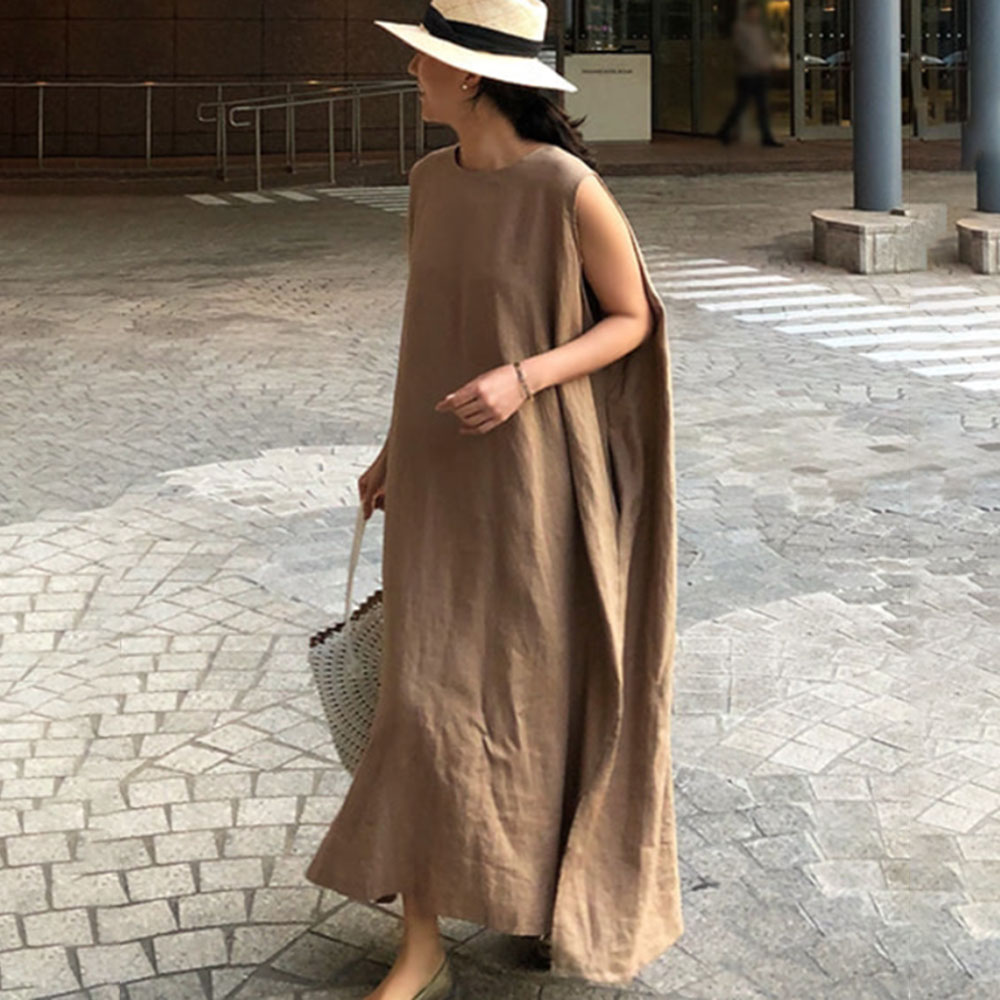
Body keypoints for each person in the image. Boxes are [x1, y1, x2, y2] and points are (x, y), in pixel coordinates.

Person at [305, 2, 683, 998]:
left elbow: (632, 319)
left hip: (535, 486)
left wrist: (525, 377)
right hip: (438, 480)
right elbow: (432, 328)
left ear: (470, 76)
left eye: (425, 59)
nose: (414, 74)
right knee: (420, 699)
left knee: (531, 697)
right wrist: (395, 446)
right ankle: (421, 941)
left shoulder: (568, 190)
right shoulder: (428, 182)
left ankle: (552, 895)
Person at [716, 0, 783, 147]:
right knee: (743, 104)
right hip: (747, 73)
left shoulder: (758, 29)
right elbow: (742, 50)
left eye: (757, 12)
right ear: (747, 12)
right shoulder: (740, 28)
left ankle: (765, 136)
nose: (755, 15)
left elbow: (765, 48)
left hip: (760, 72)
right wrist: (758, 63)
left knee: (760, 106)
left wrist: (768, 62)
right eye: (753, 12)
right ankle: (725, 130)